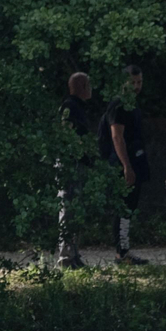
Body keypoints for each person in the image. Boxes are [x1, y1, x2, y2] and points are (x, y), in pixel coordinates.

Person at [99, 64, 150, 264]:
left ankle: (124, 251)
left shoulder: (132, 105)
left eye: (139, 82)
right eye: (133, 82)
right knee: (124, 207)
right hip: (123, 163)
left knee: (129, 207)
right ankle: (122, 253)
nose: (137, 86)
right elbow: (117, 137)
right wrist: (126, 166)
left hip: (134, 161)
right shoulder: (119, 105)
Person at [56, 71, 101, 268]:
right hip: (70, 164)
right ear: (82, 87)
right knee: (68, 208)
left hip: (78, 164)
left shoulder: (78, 107)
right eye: (88, 85)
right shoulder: (70, 106)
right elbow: (66, 133)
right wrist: (79, 150)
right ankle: (66, 257)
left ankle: (74, 254)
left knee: (76, 210)